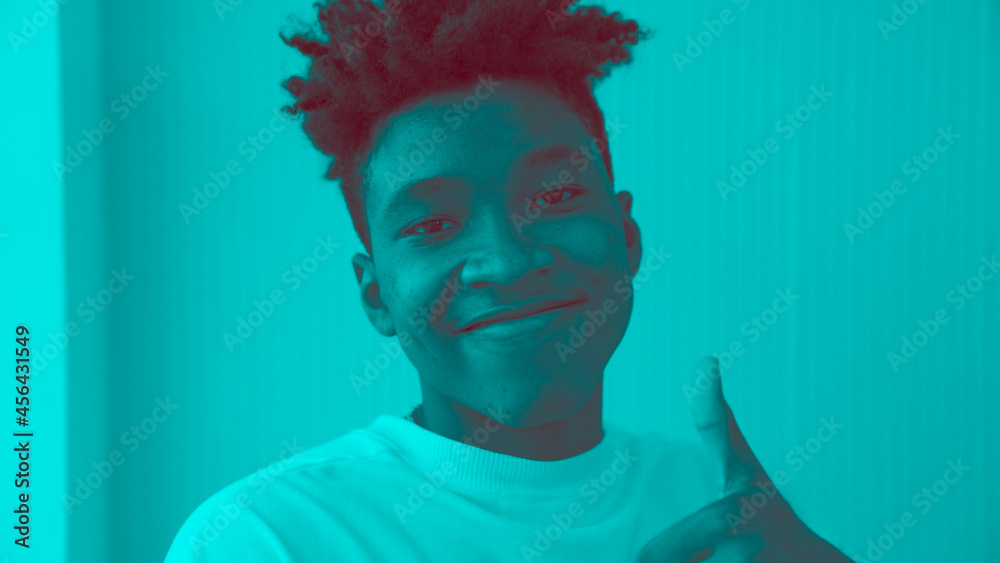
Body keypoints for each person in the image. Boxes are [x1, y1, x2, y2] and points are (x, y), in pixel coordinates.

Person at [165, 1, 851, 560]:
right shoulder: (264, 539)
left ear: (627, 236)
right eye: (432, 226)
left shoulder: (729, 509)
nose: (510, 259)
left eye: (553, 197)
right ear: (377, 294)